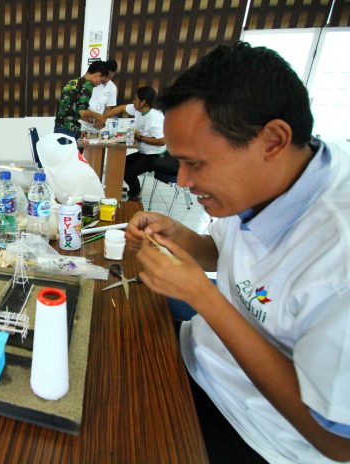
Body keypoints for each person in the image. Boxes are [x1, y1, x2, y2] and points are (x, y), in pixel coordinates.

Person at [126, 42, 350, 463]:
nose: (184, 182)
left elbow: (337, 442)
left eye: (196, 164)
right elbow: (221, 251)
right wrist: (180, 237)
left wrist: (203, 297)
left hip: (257, 434)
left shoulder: (339, 257)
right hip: (199, 358)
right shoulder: (263, 182)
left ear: (273, 140)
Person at [108, 86, 167, 201]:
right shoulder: (139, 110)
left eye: (135, 99)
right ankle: (116, 190)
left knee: (128, 172)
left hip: (156, 155)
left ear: (143, 102)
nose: (133, 102)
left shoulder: (154, 117)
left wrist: (139, 137)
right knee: (120, 165)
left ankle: (135, 194)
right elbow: (121, 108)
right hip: (144, 151)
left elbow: (162, 141)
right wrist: (103, 117)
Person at [53, 61, 108, 141]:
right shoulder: (88, 85)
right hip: (69, 130)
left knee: (61, 152)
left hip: (59, 127)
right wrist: (99, 116)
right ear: (98, 74)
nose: (99, 84)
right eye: (101, 81)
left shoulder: (72, 82)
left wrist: (87, 119)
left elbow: (70, 110)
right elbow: (82, 112)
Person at [79, 59, 118, 133]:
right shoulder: (87, 83)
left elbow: (107, 109)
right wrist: (89, 117)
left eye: (110, 77)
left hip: (96, 127)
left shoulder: (112, 87)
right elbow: (79, 107)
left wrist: (101, 122)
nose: (107, 79)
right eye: (107, 76)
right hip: (81, 124)